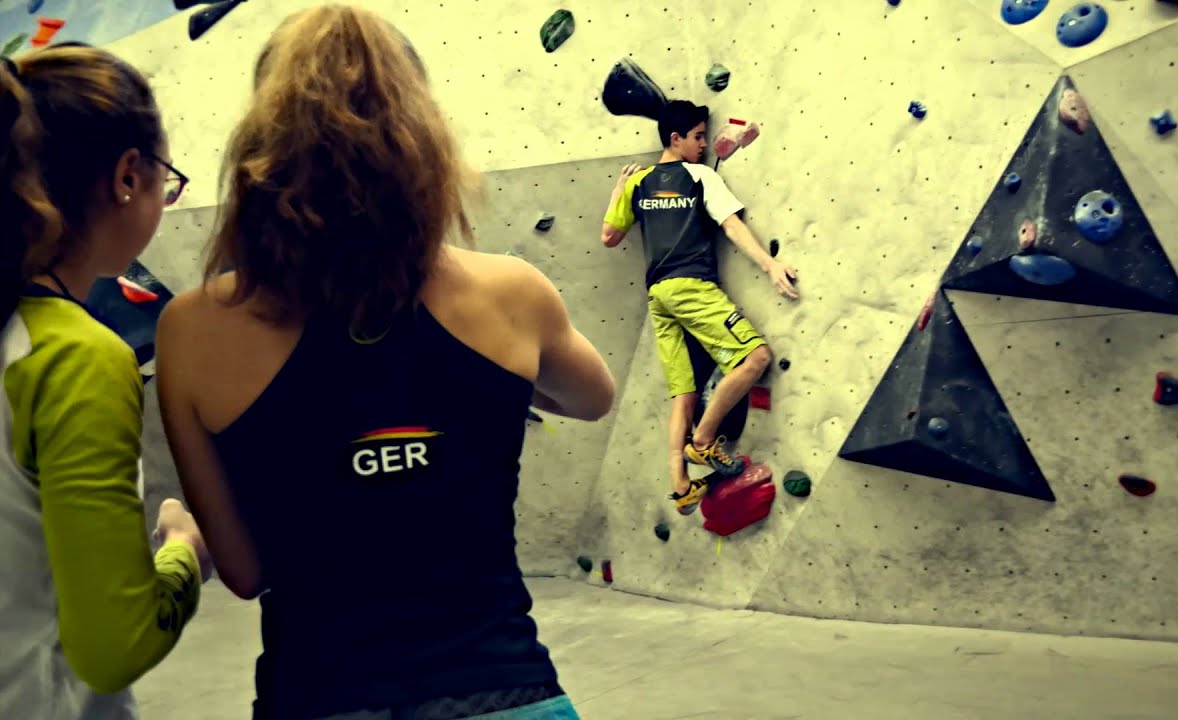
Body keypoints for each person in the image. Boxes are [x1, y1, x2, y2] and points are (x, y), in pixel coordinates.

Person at [154, 6, 614, 720]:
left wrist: (186, 538)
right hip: (509, 691)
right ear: (423, 136)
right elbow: (591, 398)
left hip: (316, 697)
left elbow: (245, 573)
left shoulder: (192, 330)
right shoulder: (512, 294)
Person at [0, 43, 211, 719]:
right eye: (165, 177)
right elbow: (114, 646)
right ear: (128, 177)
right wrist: (186, 551)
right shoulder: (74, 357)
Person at [600, 100, 799, 514]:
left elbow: (609, 236)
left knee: (684, 393)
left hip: (659, 297)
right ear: (676, 139)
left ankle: (680, 486)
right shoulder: (699, 176)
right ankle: (703, 442)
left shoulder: (639, 184)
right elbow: (730, 225)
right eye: (698, 137)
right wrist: (770, 264)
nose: (704, 145)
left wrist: (619, 190)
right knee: (755, 357)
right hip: (691, 287)